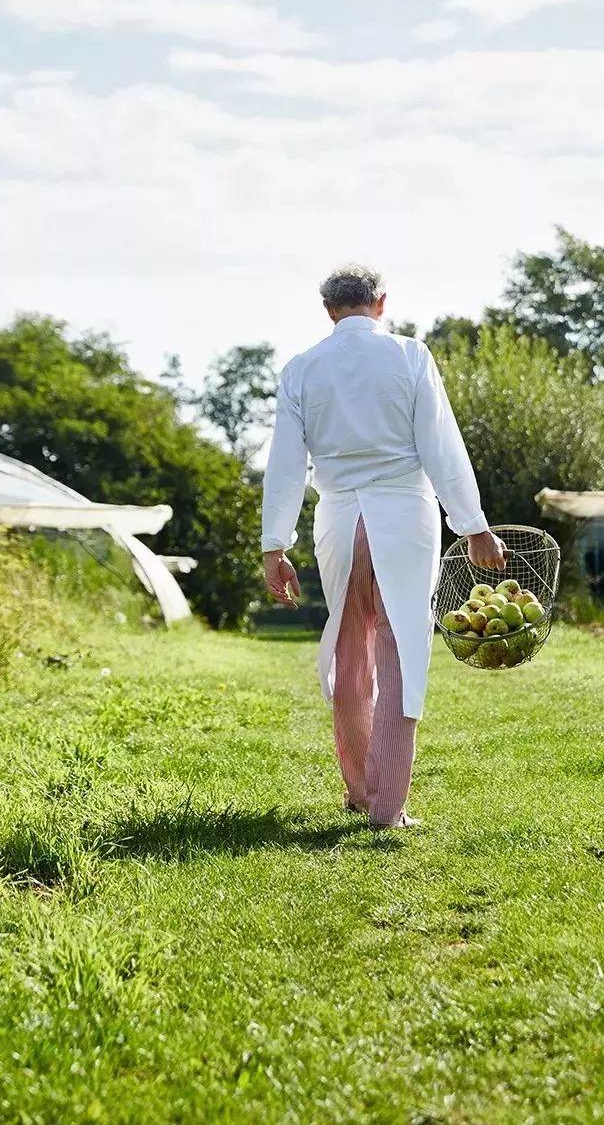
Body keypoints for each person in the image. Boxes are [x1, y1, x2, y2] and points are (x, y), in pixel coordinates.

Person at [261, 264, 506, 829]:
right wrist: (473, 524)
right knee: (400, 649)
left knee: (351, 652)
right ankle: (387, 806)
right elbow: (441, 444)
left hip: (339, 519)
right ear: (381, 302)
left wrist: (275, 545)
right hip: (403, 515)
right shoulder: (410, 356)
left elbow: (284, 463)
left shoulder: (301, 369)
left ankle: (359, 792)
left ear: (328, 310)